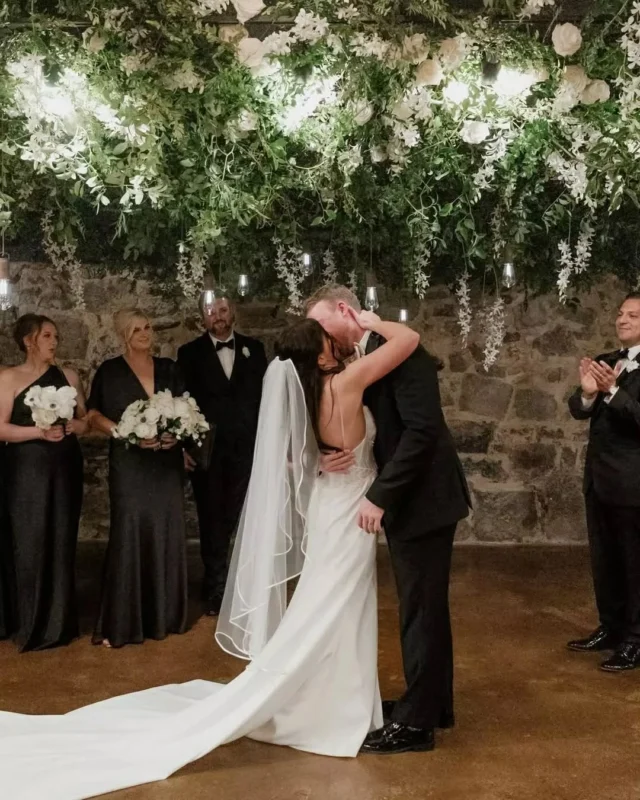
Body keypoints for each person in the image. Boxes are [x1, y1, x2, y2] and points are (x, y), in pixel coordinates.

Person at [0, 309, 418, 798]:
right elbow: (407, 337)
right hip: (347, 514)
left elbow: (298, 452)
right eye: (329, 336)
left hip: (336, 505)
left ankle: (341, 700)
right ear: (321, 352)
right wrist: (368, 319)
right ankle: (333, 708)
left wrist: (319, 458)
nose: (338, 339)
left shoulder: (310, 391)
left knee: (332, 608)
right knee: (333, 609)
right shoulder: (345, 384)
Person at [306, 284, 471, 754]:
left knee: (420, 610)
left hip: (424, 499)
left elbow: (422, 432)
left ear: (344, 310)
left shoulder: (398, 350)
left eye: (321, 325)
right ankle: (432, 706)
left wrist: (379, 496)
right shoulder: (363, 355)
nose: (321, 337)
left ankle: (416, 727)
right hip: (410, 499)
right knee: (423, 608)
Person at [87, 309, 188, 648]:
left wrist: (178, 436)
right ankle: (125, 620)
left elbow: (186, 410)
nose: (146, 333)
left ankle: (165, 616)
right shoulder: (110, 371)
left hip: (166, 465)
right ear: (124, 335)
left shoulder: (170, 369)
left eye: (148, 327)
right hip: (130, 466)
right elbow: (93, 415)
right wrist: (121, 432)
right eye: (137, 329)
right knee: (129, 531)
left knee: (167, 531)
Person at [0, 314, 86, 651]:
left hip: (65, 469)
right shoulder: (8, 378)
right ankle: (27, 622)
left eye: (56, 336)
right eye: (47, 335)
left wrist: (70, 429)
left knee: (61, 540)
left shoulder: (69, 376)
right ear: (28, 341)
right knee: (29, 541)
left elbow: (85, 422)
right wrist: (39, 431)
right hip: (24, 472)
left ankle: (59, 624)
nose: (54, 341)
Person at [177, 296, 268, 615]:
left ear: (233, 313)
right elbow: (182, 403)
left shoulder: (254, 349)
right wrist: (185, 446)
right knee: (211, 517)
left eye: (222, 310)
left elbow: (264, 399)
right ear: (203, 318)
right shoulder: (188, 353)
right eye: (210, 312)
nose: (217, 316)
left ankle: (241, 583)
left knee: (240, 515)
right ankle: (215, 587)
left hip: (248, 447)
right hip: (208, 449)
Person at [567, 292, 640, 672]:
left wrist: (612, 391)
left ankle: (635, 640)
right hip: (599, 480)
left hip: (633, 484)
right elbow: (578, 411)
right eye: (620, 313)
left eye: (633, 315)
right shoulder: (608, 361)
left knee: (634, 564)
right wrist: (588, 392)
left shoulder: (617, 375)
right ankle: (611, 628)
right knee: (604, 559)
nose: (622, 320)